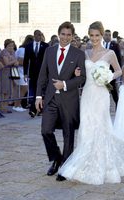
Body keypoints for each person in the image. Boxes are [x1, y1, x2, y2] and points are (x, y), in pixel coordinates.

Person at [58, 21, 123, 185]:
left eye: (97, 36)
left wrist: (107, 77)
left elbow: (119, 71)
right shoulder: (84, 53)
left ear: (102, 36)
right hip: (87, 94)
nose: (94, 38)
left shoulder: (109, 53)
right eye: (92, 35)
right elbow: (80, 74)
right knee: (86, 127)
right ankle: (83, 164)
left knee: (100, 126)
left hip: (101, 95)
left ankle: (102, 164)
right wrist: (77, 72)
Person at [35, 21, 86, 181]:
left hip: (69, 100)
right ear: (58, 34)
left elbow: (82, 78)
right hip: (50, 98)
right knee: (46, 130)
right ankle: (57, 158)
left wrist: (64, 84)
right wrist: (38, 96)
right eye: (63, 34)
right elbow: (43, 74)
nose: (65, 37)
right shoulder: (49, 51)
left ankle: (66, 167)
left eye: (68, 35)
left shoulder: (78, 54)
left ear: (72, 36)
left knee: (68, 134)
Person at [23, 30, 49, 118]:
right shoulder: (28, 46)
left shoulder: (45, 46)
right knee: (33, 91)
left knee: (41, 91)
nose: (39, 36)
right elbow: (26, 60)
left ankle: (39, 109)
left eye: (40, 35)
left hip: (43, 72)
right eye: (37, 35)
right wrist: (25, 73)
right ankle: (33, 110)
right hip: (33, 72)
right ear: (34, 36)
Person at [103, 29, 122, 107]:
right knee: (103, 90)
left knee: (112, 89)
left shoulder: (114, 45)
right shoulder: (101, 44)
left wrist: (117, 71)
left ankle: (117, 105)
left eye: (109, 35)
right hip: (101, 73)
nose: (108, 37)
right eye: (106, 35)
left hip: (111, 73)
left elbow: (119, 59)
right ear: (103, 35)